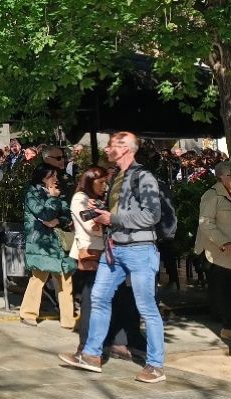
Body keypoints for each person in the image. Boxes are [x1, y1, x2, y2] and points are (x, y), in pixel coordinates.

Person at [59, 131, 168, 384]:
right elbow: (120, 213)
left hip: (139, 250)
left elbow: (152, 215)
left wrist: (113, 218)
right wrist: (101, 212)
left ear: (126, 149)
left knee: (147, 307)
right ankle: (91, 355)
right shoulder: (118, 176)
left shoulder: (143, 177)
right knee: (98, 297)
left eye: (112, 146)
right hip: (115, 249)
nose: (107, 149)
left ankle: (155, 365)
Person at [70, 166, 142, 360]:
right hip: (92, 255)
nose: (104, 186)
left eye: (106, 182)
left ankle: (112, 343)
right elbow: (90, 226)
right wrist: (105, 217)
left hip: (108, 254)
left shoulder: (99, 200)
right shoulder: (80, 199)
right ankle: (86, 347)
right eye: (100, 182)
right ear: (89, 181)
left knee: (113, 300)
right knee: (92, 301)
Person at [19, 163, 76, 328]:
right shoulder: (32, 194)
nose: (56, 179)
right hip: (40, 242)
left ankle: (68, 319)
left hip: (58, 242)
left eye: (56, 176)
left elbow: (67, 216)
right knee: (38, 278)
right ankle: (28, 313)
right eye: (52, 176)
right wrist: (52, 199)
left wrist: (57, 220)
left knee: (65, 279)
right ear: (43, 178)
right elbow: (44, 214)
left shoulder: (58, 193)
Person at [194, 160, 231, 342]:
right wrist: (224, 242)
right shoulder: (212, 195)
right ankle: (228, 327)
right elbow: (206, 223)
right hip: (217, 252)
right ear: (221, 176)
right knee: (227, 290)